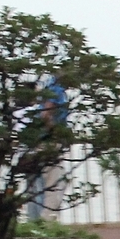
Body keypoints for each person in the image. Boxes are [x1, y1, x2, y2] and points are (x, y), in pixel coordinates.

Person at [26, 75, 69, 220]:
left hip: (42, 141)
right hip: (49, 142)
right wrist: (56, 132)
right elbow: (45, 114)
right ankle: (49, 220)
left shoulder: (48, 86)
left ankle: (37, 219)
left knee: (41, 184)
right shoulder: (56, 89)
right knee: (53, 183)